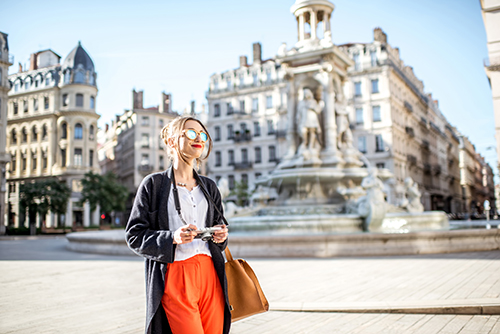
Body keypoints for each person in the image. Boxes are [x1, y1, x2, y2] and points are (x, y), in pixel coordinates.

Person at [125, 115, 230, 334]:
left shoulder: (209, 187)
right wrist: (172, 237)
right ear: (172, 141)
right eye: (191, 133)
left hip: (211, 274)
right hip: (176, 274)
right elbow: (134, 235)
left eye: (202, 134)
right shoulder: (153, 184)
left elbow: (219, 227)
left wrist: (221, 236)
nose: (199, 138)